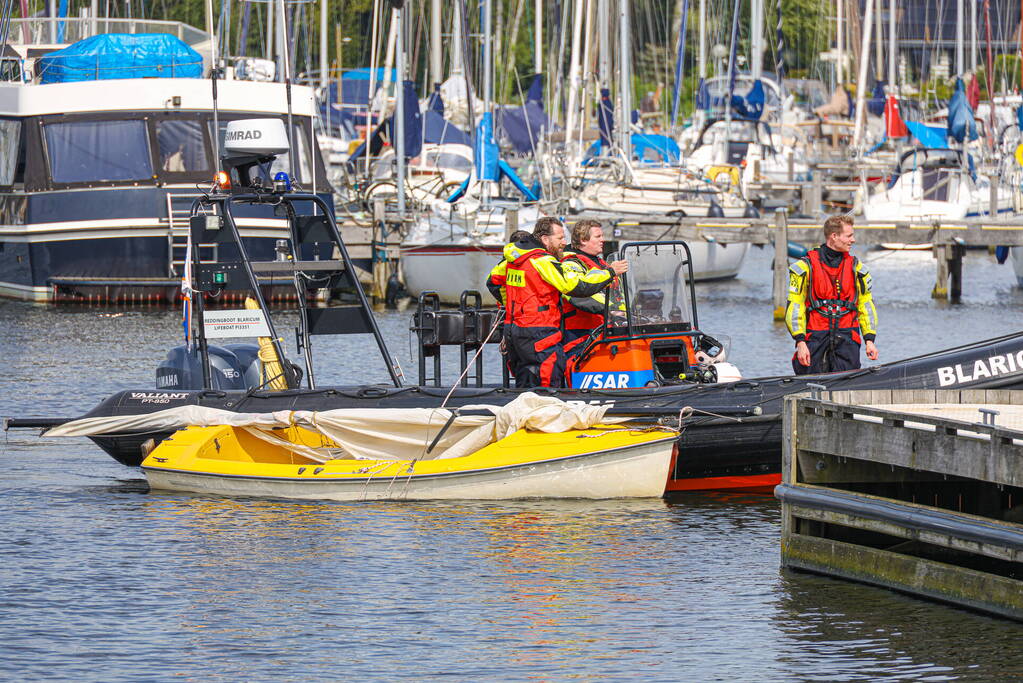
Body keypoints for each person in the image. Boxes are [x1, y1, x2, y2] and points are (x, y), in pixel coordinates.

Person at [503, 217, 626, 388]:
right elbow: (574, 288)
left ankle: (527, 406)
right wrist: (610, 273)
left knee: (528, 374)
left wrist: (513, 308)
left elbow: (495, 282)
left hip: (518, 327)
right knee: (548, 372)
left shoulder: (515, 258)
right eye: (560, 238)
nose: (563, 242)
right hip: (542, 327)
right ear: (545, 239)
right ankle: (544, 408)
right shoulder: (544, 260)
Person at [786, 215, 878, 374]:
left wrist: (869, 340)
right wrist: (800, 342)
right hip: (815, 338)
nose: (853, 240)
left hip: (847, 339)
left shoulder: (857, 269)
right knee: (809, 379)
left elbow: (866, 305)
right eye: (849, 236)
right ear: (834, 236)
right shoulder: (806, 267)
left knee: (847, 382)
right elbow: (795, 306)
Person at [560, 219, 627, 358]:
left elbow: (616, 294)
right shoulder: (569, 264)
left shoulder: (602, 263)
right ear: (583, 240)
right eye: (598, 236)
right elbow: (579, 294)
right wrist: (612, 311)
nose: (603, 240)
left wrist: (629, 313)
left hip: (606, 327)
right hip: (580, 332)